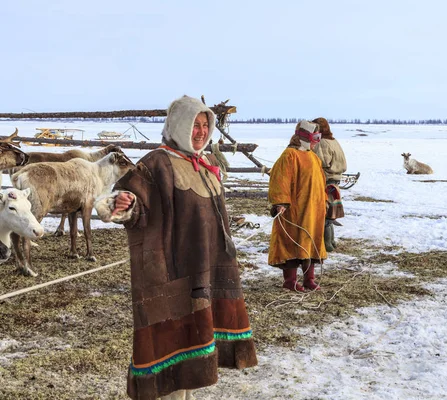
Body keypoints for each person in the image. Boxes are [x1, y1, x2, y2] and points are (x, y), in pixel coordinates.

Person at [94, 95, 257, 400]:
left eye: (205, 125)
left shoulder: (206, 164)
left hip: (205, 273)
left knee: (195, 345)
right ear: (180, 125)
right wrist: (126, 205)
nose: (200, 131)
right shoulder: (158, 162)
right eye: (195, 124)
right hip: (174, 276)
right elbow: (134, 201)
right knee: (174, 347)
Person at [268, 120, 327, 292]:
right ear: (304, 136)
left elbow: (320, 182)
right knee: (292, 243)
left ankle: (309, 279)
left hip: (313, 210)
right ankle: (290, 281)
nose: (317, 141)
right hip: (294, 210)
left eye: (319, 137)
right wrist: (280, 202)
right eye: (315, 137)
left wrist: (325, 201)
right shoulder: (289, 155)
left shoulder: (314, 158)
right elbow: (280, 180)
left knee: (311, 242)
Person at [311, 117, 347, 252]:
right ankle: (331, 242)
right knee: (329, 215)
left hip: (326, 182)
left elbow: (320, 162)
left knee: (324, 215)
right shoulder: (333, 141)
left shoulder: (323, 143)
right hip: (334, 182)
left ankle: (326, 244)